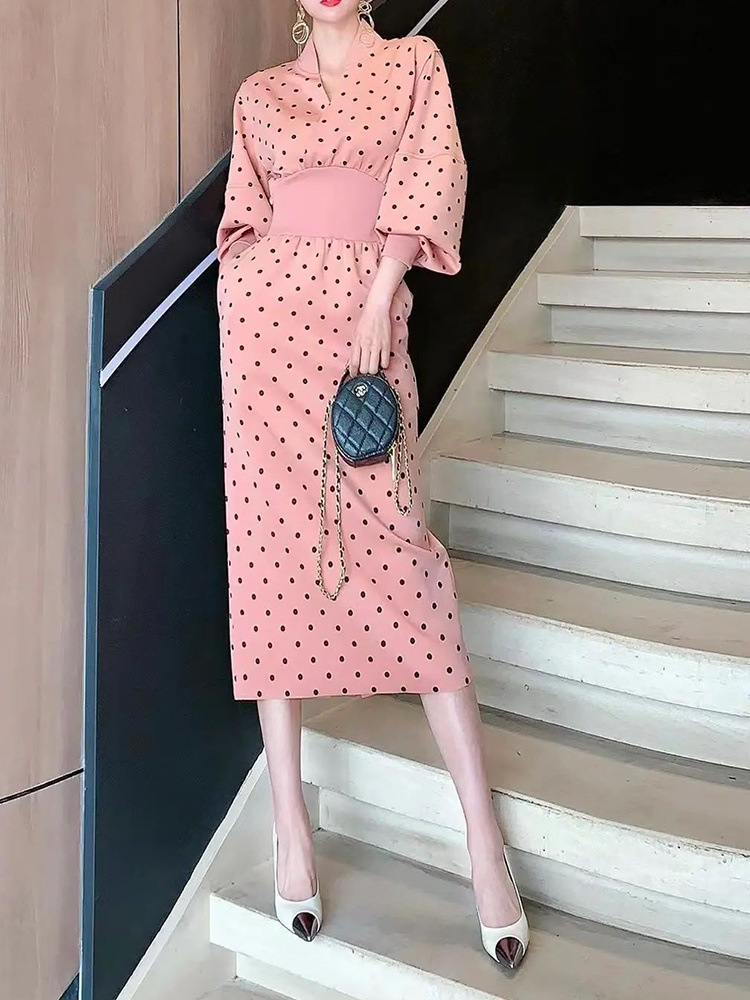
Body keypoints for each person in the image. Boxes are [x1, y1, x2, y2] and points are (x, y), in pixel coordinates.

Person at [215, 0, 529, 972]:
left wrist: (381, 292)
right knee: (269, 570)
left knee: (408, 564)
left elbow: (431, 176)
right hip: (265, 344)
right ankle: (291, 830)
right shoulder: (259, 93)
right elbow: (241, 221)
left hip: (362, 327)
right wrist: (249, 294)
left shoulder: (414, 64)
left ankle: (484, 841)